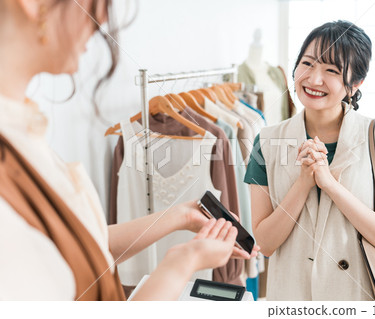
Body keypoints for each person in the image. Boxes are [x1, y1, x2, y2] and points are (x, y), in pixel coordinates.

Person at [0, 0, 257, 301]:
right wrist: (182, 262)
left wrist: (181, 216)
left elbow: (78, 245)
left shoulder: (22, 131)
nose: (104, 19)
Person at [244, 20, 375, 300]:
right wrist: (303, 183)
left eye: (332, 71)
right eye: (308, 63)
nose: (314, 79)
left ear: (355, 83)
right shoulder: (266, 141)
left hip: (356, 299)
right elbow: (264, 243)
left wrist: (330, 184)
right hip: (291, 299)